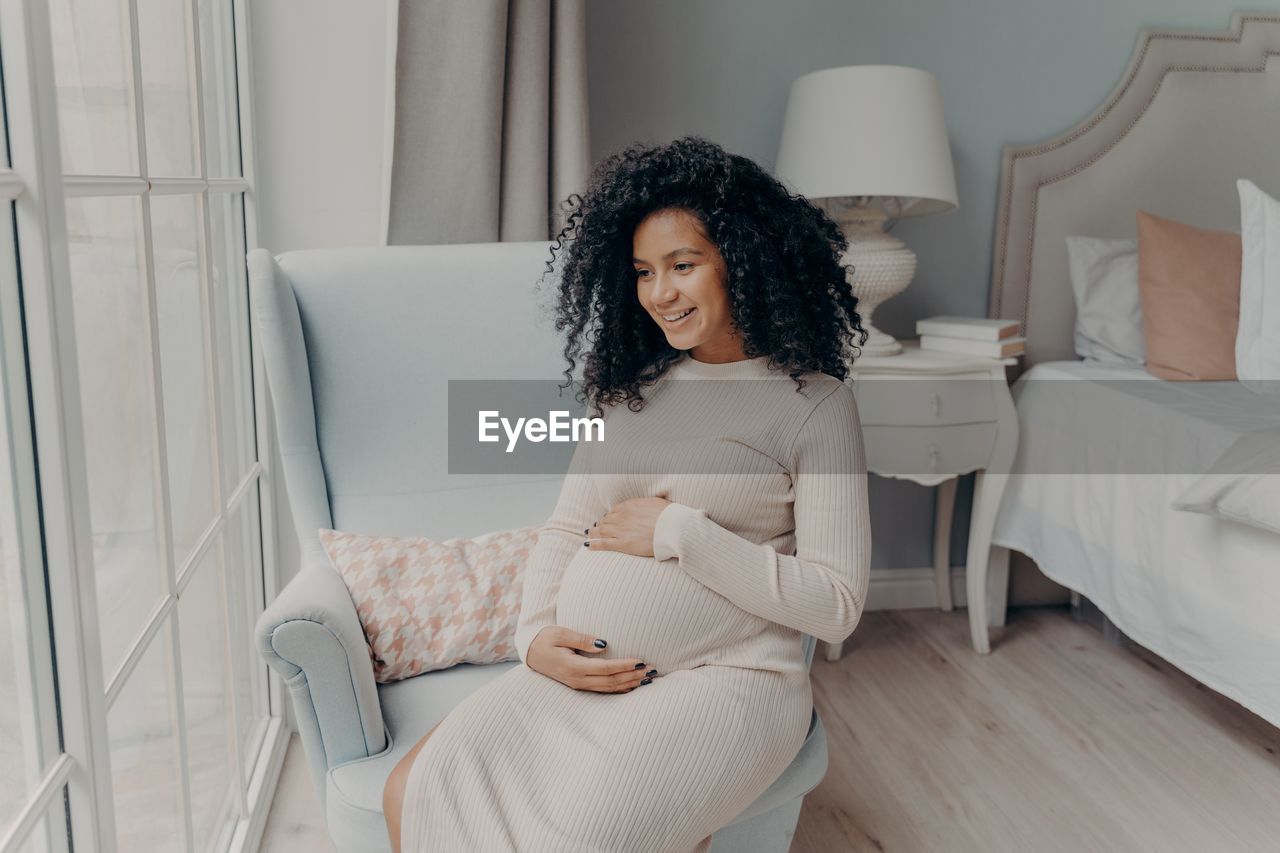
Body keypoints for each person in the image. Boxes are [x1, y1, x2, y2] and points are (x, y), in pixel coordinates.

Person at [383, 135, 871, 853]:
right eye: (644, 271)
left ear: (744, 257)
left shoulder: (812, 405)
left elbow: (836, 604)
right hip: (587, 674)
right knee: (419, 786)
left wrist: (680, 532)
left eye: (683, 265)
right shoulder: (630, 394)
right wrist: (535, 637)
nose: (659, 293)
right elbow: (564, 529)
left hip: (728, 680)